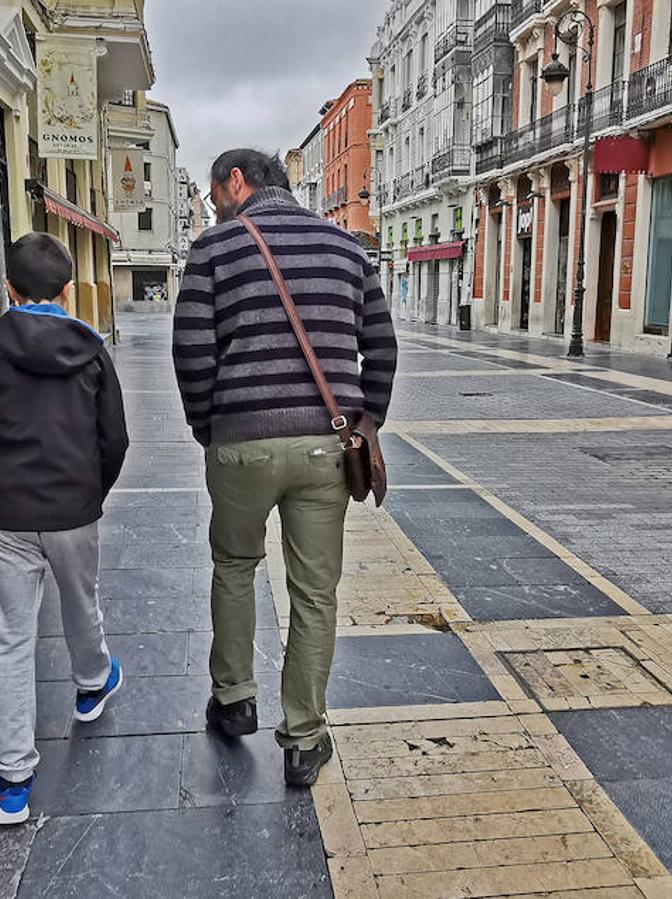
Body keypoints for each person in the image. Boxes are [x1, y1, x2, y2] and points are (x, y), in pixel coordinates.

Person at [173, 149, 398, 786]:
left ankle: (235, 699)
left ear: (236, 182)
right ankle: (304, 738)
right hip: (328, 445)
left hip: (240, 442)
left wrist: (208, 428)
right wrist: (367, 420)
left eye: (217, 192)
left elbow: (191, 351)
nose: (215, 204)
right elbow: (380, 345)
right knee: (315, 592)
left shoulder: (214, 250)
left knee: (235, 567)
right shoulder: (348, 248)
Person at [0, 233, 131, 824]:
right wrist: (90, 496)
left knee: (10, 640)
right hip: (73, 508)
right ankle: (91, 683)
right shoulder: (92, 351)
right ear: (65, 290)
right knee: (82, 603)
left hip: (8, 512)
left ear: (8, 288)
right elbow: (115, 439)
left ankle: (13, 780)